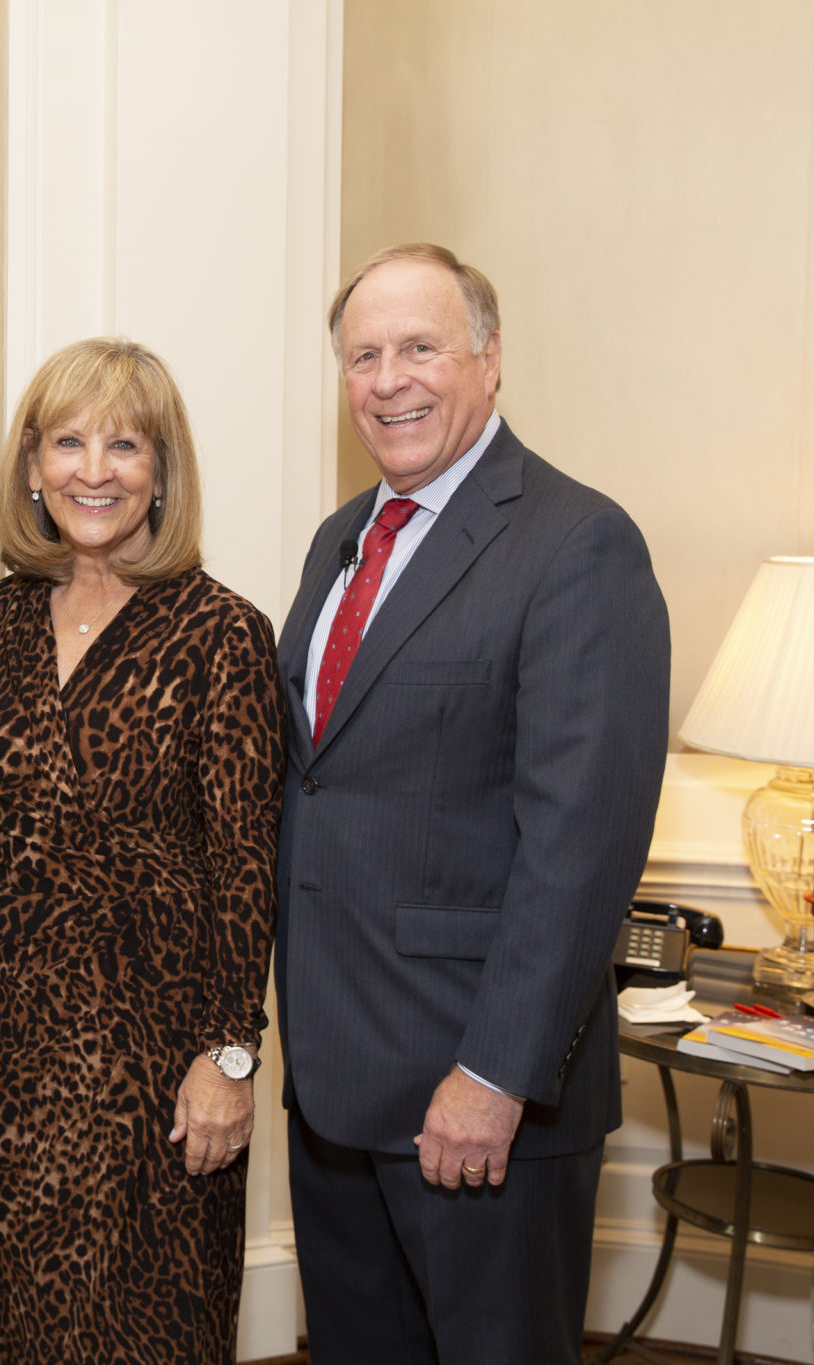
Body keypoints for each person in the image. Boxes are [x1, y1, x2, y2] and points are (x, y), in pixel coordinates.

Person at [276, 243, 670, 1363]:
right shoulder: (341, 539)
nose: (386, 379)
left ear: (488, 362)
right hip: (336, 1091)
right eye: (362, 355)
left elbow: (579, 845)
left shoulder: (576, 545)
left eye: (418, 348)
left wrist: (492, 1077)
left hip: (474, 1098)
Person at [0, 337, 284, 1364]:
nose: (94, 469)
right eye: (68, 442)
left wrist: (228, 1054)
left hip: (163, 1044)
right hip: (11, 1036)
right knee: (31, 1312)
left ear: (161, 472)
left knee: (159, 1322)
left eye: (123, 445)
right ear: (31, 465)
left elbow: (244, 867)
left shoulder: (222, 633)